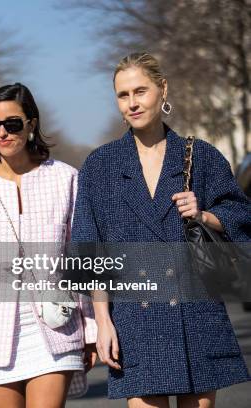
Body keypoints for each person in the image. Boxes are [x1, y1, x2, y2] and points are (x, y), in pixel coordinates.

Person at [72, 52, 251, 408]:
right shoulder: (100, 166)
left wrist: (204, 215)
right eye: (123, 95)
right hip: (133, 319)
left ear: (162, 90)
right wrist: (102, 323)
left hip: (196, 314)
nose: (133, 103)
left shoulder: (201, 156)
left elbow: (240, 216)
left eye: (141, 91)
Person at [0, 83, 98, 408]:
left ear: (31, 124)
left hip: (56, 326)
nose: (2, 133)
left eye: (12, 124)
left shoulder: (65, 179)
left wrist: (91, 329)